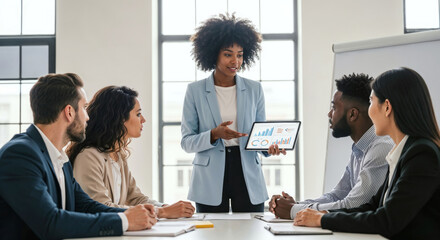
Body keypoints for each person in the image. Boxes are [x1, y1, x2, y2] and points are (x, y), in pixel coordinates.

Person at [0, 74, 157, 240]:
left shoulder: (60, 158)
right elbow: (50, 222)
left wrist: (136, 214)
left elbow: (87, 206)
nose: (88, 117)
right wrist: (124, 220)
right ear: (69, 112)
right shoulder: (20, 155)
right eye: (84, 107)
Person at [294, 67, 440, 239]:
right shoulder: (404, 151)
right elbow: (372, 206)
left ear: (387, 107)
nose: (368, 111)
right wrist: (324, 215)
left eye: (371, 101)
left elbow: (387, 220)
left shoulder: (421, 154)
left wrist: (324, 219)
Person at [181, 14, 284, 213]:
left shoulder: (255, 89)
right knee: (210, 232)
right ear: (213, 54)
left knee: (252, 231)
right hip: (209, 177)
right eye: (228, 54)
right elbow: (186, 142)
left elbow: (259, 136)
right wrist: (214, 134)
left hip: (247, 172)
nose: (235, 61)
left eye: (240, 54)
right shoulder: (195, 91)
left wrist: (268, 148)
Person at [269, 73, 394, 219]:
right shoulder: (360, 148)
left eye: (334, 108)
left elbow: (354, 204)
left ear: (352, 114)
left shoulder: (380, 147)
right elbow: (337, 195)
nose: (329, 114)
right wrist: (296, 205)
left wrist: (294, 210)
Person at [67, 86, 195, 218]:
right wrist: (161, 212)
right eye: (138, 114)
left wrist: (165, 207)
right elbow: (100, 207)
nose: (143, 119)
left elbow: (136, 198)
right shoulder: (89, 157)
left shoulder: (118, 155)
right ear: (120, 119)